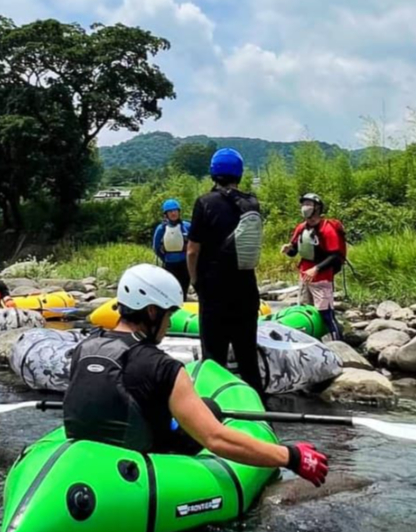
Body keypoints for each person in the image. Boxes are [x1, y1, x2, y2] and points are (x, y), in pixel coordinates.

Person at [62, 264, 327, 484]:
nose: (168, 324)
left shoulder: (84, 348)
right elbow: (216, 439)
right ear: (152, 311)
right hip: (142, 462)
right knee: (211, 408)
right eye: (169, 315)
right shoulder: (163, 367)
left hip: (88, 454)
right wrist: (291, 456)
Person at [185, 147, 266, 397]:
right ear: (239, 173)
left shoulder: (204, 202)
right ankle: (258, 412)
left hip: (214, 291)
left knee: (213, 359)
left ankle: (216, 415)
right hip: (246, 290)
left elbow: (192, 251)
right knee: (247, 358)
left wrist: (195, 281)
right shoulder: (251, 203)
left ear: (213, 172)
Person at [282, 193, 345, 339]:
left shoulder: (327, 229)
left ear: (317, 208)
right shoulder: (301, 228)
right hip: (305, 276)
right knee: (305, 311)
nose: (305, 207)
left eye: (309, 204)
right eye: (304, 204)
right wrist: (288, 249)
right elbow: (294, 251)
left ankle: (339, 344)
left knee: (326, 314)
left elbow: (335, 256)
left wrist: (316, 269)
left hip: (322, 277)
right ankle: (311, 341)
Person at [151, 198, 191, 298]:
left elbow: (195, 244)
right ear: (166, 214)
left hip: (184, 263)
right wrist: (164, 258)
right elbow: (156, 247)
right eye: (170, 211)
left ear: (179, 212)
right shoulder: (161, 228)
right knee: (171, 291)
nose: (173, 213)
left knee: (183, 290)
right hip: (169, 264)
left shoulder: (187, 226)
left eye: (175, 211)